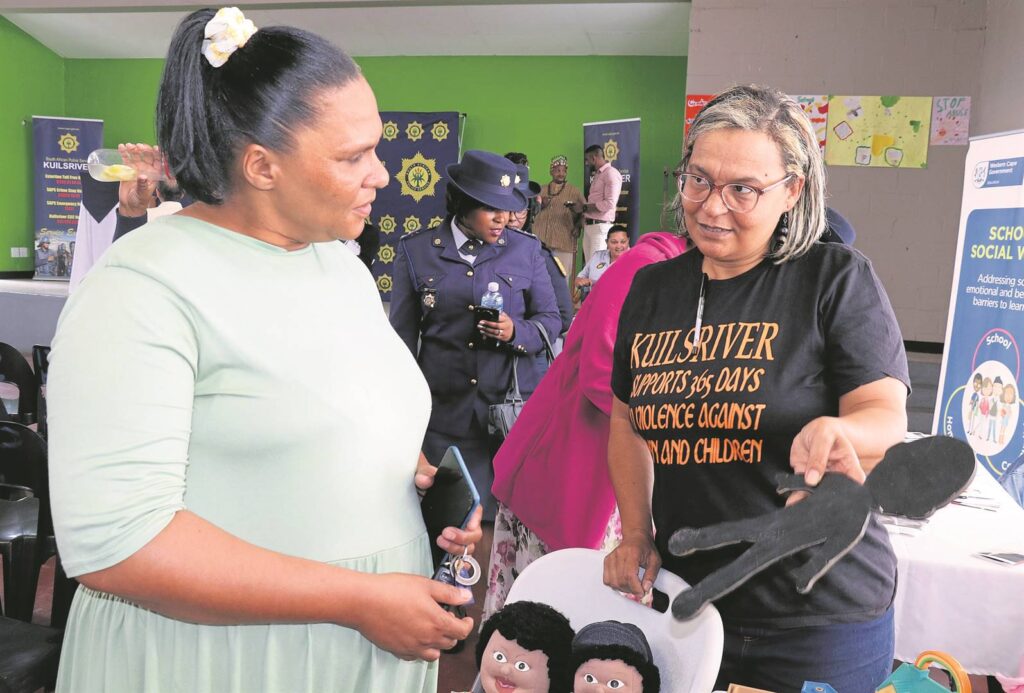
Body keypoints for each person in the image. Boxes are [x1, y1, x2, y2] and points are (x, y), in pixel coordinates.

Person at [47, 8, 481, 692]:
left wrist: (412, 482)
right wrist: (357, 599)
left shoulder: (338, 266)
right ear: (261, 166)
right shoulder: (141, 288)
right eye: (352, 156)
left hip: (352, 651)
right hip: (215, 660)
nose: (382, 176)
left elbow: (316, 419)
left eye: (375, 148)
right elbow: (118, 544)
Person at [603, 84, 909, 692]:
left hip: (816, 614)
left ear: (792, 190)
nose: (712, 207)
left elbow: (883, 412)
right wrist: (635, 532)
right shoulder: (652, 289)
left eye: (743, 189)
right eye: (698, 180)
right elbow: (626, 421)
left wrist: (841, 431)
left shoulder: (834, 279)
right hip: (690, 602)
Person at [484, 209, 687, 619]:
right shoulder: (646, 266)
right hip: (582, 461)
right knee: (551, 621)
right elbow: (601, 372)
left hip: (621, 467)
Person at [389, 149, 561, 521]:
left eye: (508, 208)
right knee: (450, 522)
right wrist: (401, 414)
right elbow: (401, 343)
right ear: (462, 204)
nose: (503, 218)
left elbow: (551, 320)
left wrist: (516, 332)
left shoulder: (526, 249)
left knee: (509, 525)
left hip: (509, 414)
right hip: (444, 416)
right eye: (490, 208)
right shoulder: (417, 251)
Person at [533, 155, 585, 279]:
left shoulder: (574, 191)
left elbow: (585, 211)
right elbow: (530, 211)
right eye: (557, 170)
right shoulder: (541, 190)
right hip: (541, 242)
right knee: (539, 278)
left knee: (562, 278)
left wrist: (578, 226)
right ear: (551, 172)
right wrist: (541, 205)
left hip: (564, 242)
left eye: (563, 171)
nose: (561, 174)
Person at [572, 144, 622, 264]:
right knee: (590, 268)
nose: (586, 163)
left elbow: (609, 203)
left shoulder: (611, 173)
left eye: (587, 160)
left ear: (594, 158)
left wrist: (583, 207)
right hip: (590, 227)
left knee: (597, 268)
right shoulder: (599, 175)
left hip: (600, 228)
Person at [575, 225, 629, 298]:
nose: (619, 246)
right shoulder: (597, 256)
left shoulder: (634, 259)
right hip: (595, 301)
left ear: (628, 241)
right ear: (607, 242)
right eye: (614, 242)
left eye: (623, 242)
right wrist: (581, 281)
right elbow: (579, 278)